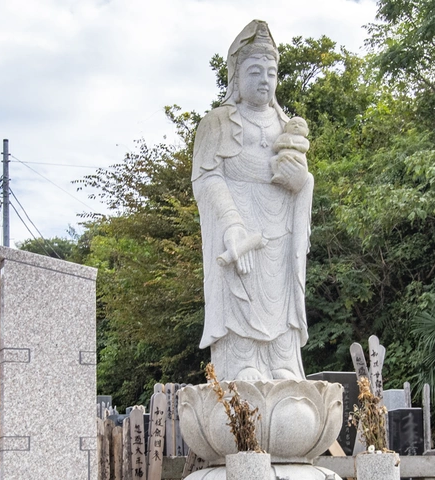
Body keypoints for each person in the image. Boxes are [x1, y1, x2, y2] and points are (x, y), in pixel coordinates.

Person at [191, 20, 313, 381]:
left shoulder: (287, 128)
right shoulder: (215, 124)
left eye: (272, 73)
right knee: (239, 297)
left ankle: (282, 360)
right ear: (235, 76)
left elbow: (303, 181)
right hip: (239, 227)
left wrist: (302, 182)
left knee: (280, 302)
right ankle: (241, 362)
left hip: (279, 233)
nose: (265, 80)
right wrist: (230, 225)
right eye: (255, 71)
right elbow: (207, 178)